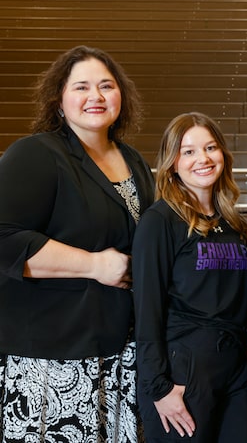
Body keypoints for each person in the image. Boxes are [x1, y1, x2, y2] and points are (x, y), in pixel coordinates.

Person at [0, 45, 154, 442]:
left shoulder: (134, 160)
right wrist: (94, 265)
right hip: (55, 359)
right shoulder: (36, 154)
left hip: (121, 352)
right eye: (81, 87)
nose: (96, 97)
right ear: (59, 100)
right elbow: (4, 238)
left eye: (106, 85)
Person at [132, 112, 247, 442]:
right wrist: (158, 387)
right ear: (172, 162)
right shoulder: (159, 221)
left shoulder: (232, 223)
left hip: (234, 367)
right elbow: (147, 309)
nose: (202, 159)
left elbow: (237, 300)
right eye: (188, 151)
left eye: (211, 147)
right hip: (182, 372)